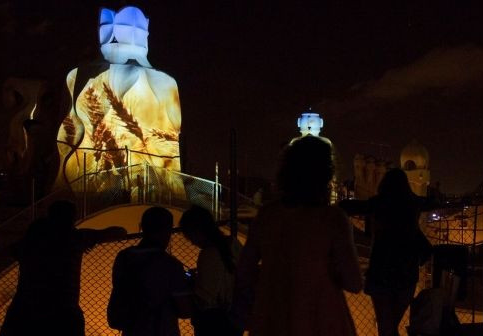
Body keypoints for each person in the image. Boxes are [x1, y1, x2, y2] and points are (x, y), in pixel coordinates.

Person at [234, 135, 363, 336]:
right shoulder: (332, 219)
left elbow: (244, 271)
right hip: (323, 321)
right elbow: (353, 282)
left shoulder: (267, 216)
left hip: (272, 320)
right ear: (326, 173)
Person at [1, 200, 127, 336]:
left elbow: (10, 250)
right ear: (71, 218)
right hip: (63, 310)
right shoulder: (75, 238)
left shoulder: (31, 242)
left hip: (25, 308)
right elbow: (119, 232)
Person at [340, 168, 431, 336]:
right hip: (406, 272)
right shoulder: (413, 203)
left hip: (381, 272)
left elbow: (352, 207)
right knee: (390, 326)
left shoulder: (379, 203)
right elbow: (432, 202)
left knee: (386, 326)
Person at [108, 206, 192, 336]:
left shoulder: (124, 257)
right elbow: (184, 310)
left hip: (132, 329)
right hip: (162, 329)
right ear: (167, 230)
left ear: (142, 227)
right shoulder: (171, 265)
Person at [179, 205, 242, 336]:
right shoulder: (233, 244)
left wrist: (192, 283)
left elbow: (205, 298)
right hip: (235, 316)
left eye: (190, 236)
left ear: (197, 231)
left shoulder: (208, 254)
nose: (191, 242)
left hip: (212, 322)